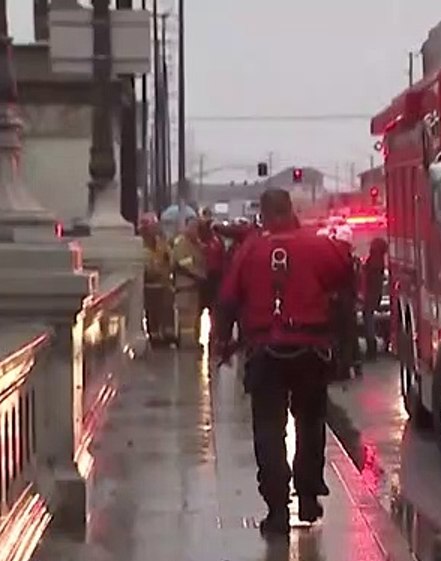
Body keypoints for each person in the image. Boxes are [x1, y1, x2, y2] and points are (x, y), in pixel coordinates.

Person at [214, 189, 355, 534]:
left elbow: (228, 299)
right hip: (310, 348)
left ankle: (277, 509)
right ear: (290, 210)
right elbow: (346, 277)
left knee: (268, 430)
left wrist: (222, 340)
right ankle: (307, 495)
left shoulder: (249, 251)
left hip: (265, 351)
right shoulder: (318, 246)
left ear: (262, 215)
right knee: (310, 423)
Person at [169, 217, 206, 347]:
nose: (195, 230)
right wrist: (199, 275)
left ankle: (193, 342)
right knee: (185, 318)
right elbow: (184, 264)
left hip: (194, 287)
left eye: (196, 228)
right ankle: (186, 344)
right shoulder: (181, 243)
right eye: (192, 227)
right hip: (184, 287)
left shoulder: (196, 244)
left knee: (194, 317)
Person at [140, 213, 177, 345]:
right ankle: (154, 335)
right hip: (149, 284)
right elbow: (145, 265)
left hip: (164, 283)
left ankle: (167, 334)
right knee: (152, 312)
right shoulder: (140, 245)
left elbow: (170, 259)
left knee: (167, 310)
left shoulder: (161, 243)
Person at [362, 237, 388, 360]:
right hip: (373, 295)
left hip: (370, 295)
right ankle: (371, 347)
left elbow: (369, 278)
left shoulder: (374, 262)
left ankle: (371, 348)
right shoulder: (379, 261)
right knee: (369, 319)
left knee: (368, 320)